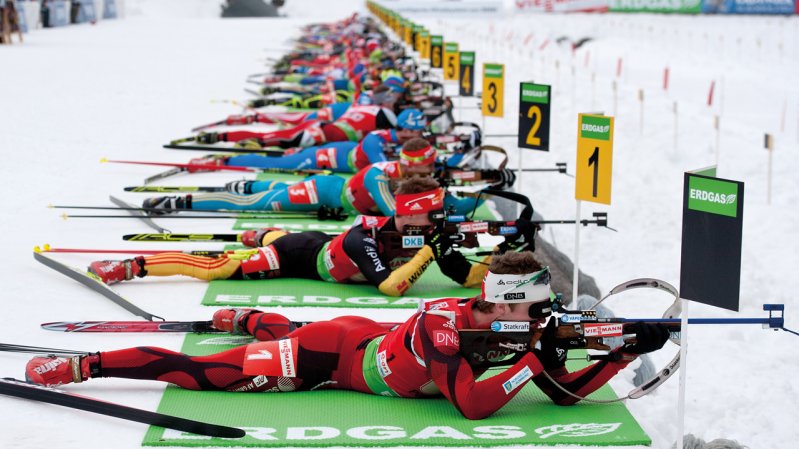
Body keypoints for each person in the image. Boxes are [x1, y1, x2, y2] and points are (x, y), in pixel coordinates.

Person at [26, 251, 670, 420]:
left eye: (538, 318)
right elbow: (474, 404)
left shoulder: (511, 328)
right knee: (209, 374)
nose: (537, 326)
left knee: (269, 333)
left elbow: (562, 391)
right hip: (329, 358)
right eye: (529, 315)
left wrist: (620, 353)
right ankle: (85, 362)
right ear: (497, 304)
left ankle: (248, 319)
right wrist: (532, 355)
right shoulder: (448, 326)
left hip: (370, 335)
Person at [90, 177, 495, 297]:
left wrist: (497, 262)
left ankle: (264, 233)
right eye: (433, 211)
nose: (441, 217)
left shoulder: (427, 235)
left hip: (318, 241)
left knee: (293, 237)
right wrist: (428, 252)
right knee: (223, 268)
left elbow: (467, 278)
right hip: (299, 255)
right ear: (409, 213)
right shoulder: (363, 236)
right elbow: (391, 287)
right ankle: (133, 265)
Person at [144, 137, 483, 217]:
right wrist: (440, 208)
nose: (433, 172)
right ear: (412, 166)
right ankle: (180, 201)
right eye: (428, 168)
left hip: (337, 198)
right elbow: (396, 212)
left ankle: (250, 182)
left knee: (276, 190)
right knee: (260, 204)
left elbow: (456, 204)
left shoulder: (415, 174)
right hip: (326, 192)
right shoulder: (380, 175)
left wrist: (485, 193)